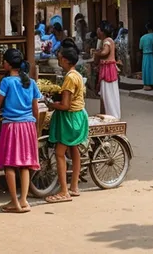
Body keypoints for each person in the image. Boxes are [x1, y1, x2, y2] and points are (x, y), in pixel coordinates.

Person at [0, 48, 41, 213]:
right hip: (28, 126)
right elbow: (35, 109)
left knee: (9, 164)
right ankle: (23, 200)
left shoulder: (7, 82)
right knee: (25, 164)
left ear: (7, 64)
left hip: (12, 126)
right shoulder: (31, 82)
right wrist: (35, 127)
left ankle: (14, 202)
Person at [46, 44, 89, 203]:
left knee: (59, 153)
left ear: (64, 60)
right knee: (74, 149)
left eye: (59, 57)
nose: (58, 59)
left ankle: (64, 191)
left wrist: (51, 104)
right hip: (79, 116)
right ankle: (74, 186)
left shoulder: (69, 78)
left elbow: (65, 105)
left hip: (70, 118)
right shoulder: (76, 74)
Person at [94, 21, 121, 119]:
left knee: (107, 93)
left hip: (107, 70)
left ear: (102, 31)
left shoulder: (106, 41)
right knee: (109, 92)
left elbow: (105, 52)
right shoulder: (110, 40)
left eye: (98, 29)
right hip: (110, 68)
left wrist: (97, 53)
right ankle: (108, 113)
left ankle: (110, 115)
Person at [139, 24, 153, 90]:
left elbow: (140, 47)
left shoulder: (142, 37)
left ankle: (147, 84)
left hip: (145, 55)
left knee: (146, 69)